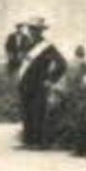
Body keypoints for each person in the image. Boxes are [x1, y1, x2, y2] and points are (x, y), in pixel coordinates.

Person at [15, 17, 66, 148]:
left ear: (41, 31)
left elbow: (62, 64)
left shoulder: (47, 47)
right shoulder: (26, 45)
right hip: (25, 84)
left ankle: (39, 142)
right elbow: (21, 64)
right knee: (26, 112)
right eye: (31, 29)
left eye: (35, 29)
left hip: (39, 84)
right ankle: (28, 141)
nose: (32, 32)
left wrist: (51, 79)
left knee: (38, 112)